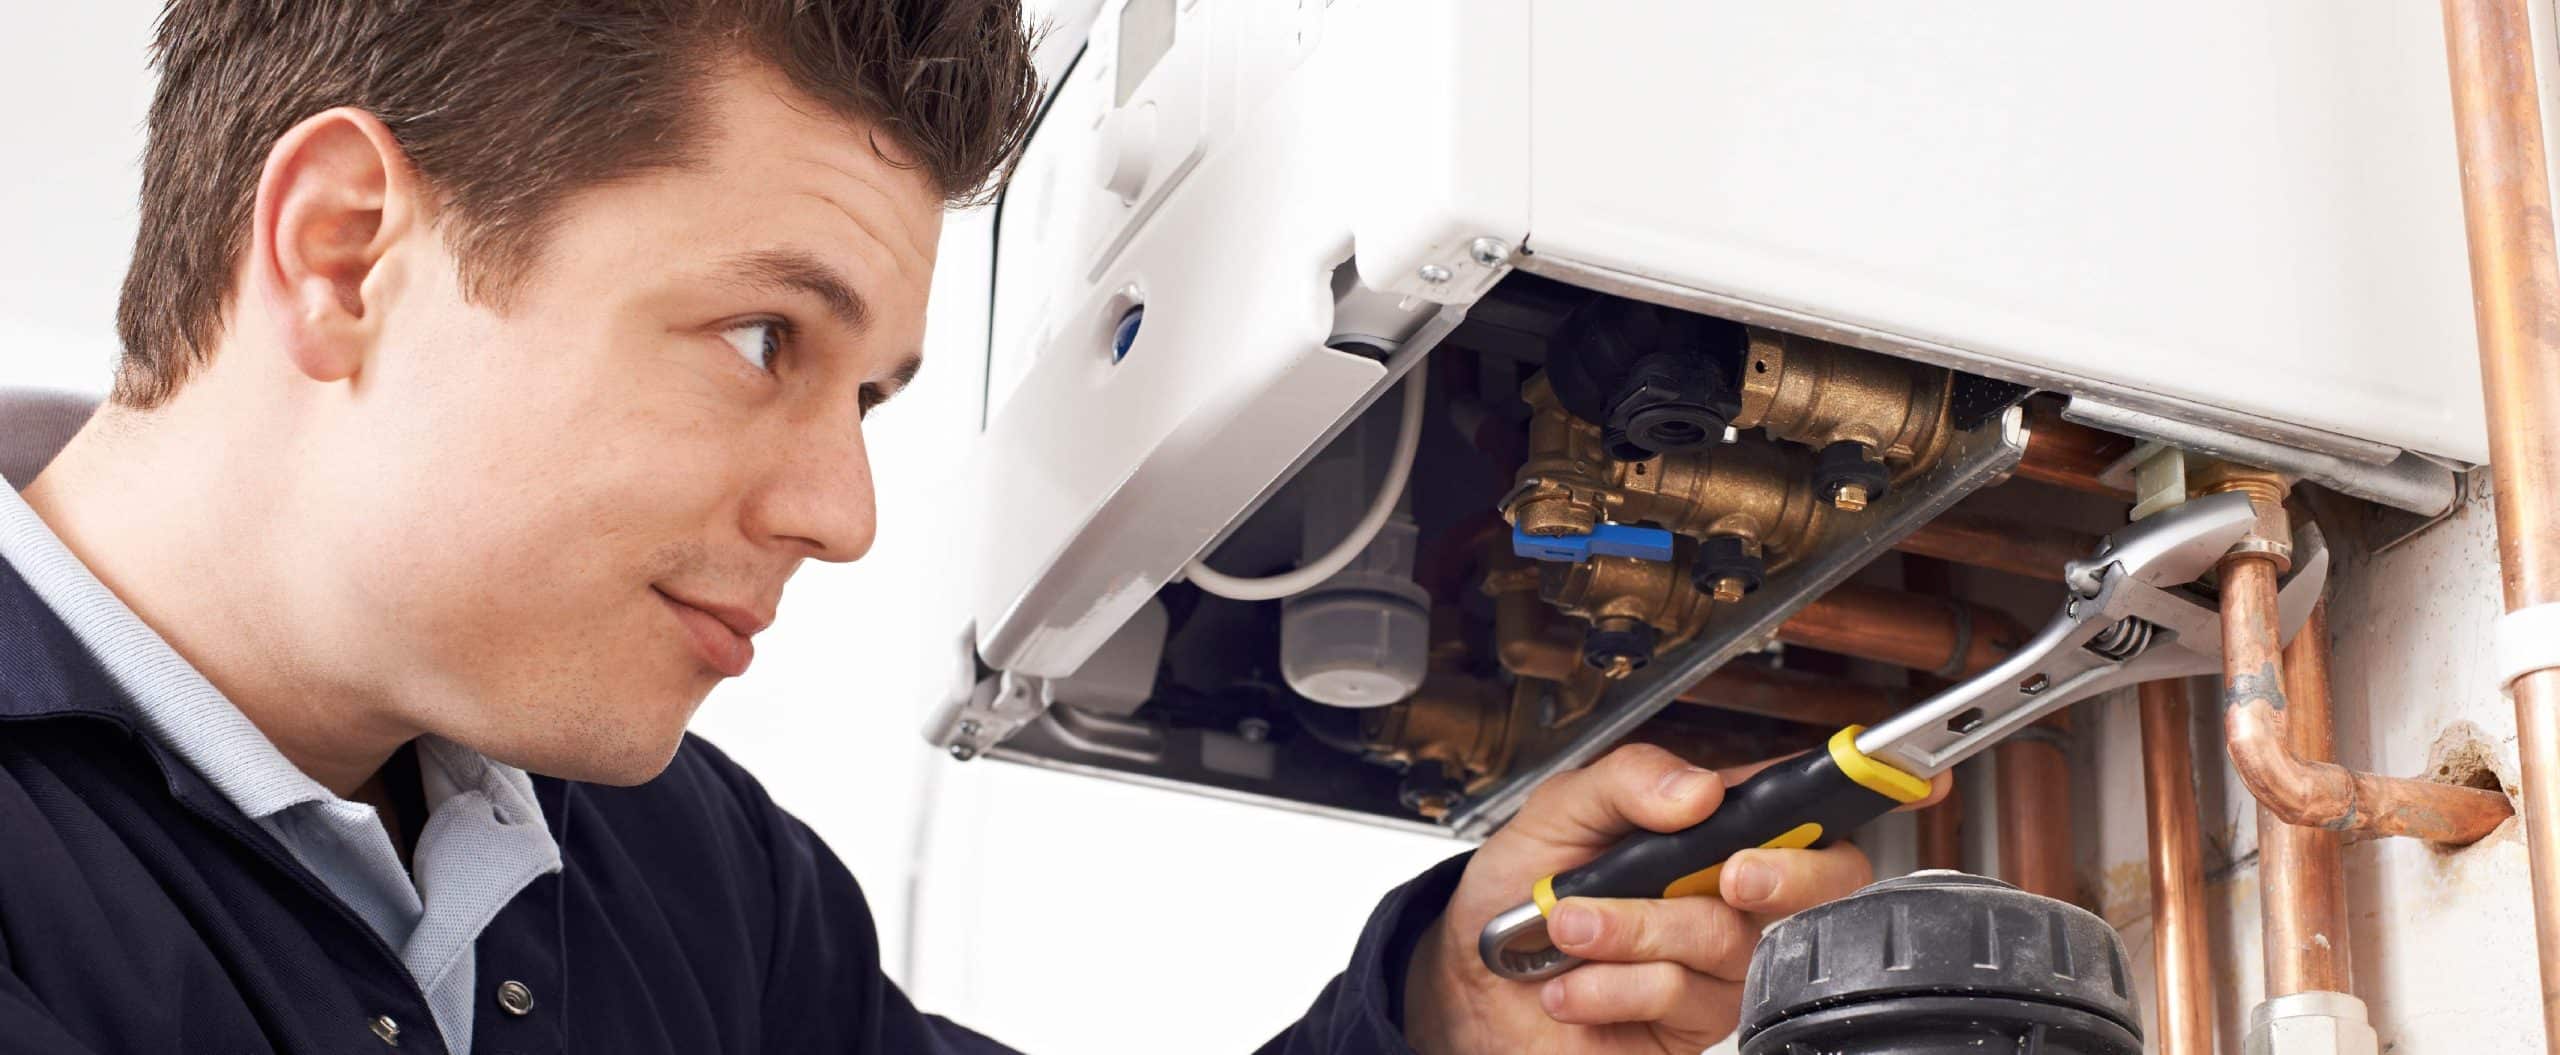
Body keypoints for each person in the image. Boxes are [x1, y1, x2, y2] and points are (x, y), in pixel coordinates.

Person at [0, 2, 1944, 1052]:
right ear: (347, 253)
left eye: (862, 397)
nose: (837, 511)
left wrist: (1440, 1009)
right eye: (761, 337)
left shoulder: (678, 874)